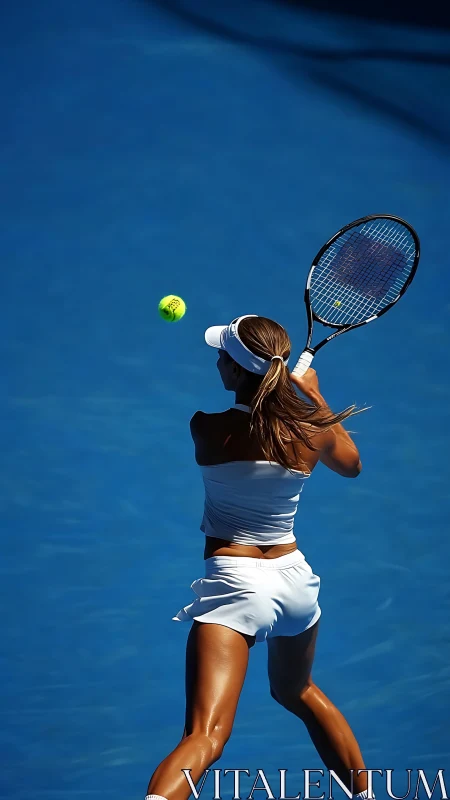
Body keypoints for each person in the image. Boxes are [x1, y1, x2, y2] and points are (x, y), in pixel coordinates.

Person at [146, 314, 370, 800]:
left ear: (235, 372)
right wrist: (313, 396)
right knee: (298, 691)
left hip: (235, 587)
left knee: (205, 737)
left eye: (222, 355)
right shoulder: (313, 432)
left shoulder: (206, 429)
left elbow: (253, 428)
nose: (217, 360)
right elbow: (350, 464)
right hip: (295, 584)